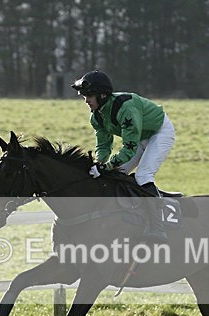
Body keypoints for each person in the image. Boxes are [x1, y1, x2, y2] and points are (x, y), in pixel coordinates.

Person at [71, 69, 174, 242]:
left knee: (143, 175)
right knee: (115, 175)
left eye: (89, 96)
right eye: (84, 96)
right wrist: (99, 164)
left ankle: (158, 227)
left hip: (159, 133)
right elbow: (104, 146)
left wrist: (105, 167)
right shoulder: (96, 117)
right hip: (140, 137)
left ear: (102, 95)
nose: (86, 100)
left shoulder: (126, 108)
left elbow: (129, 149)